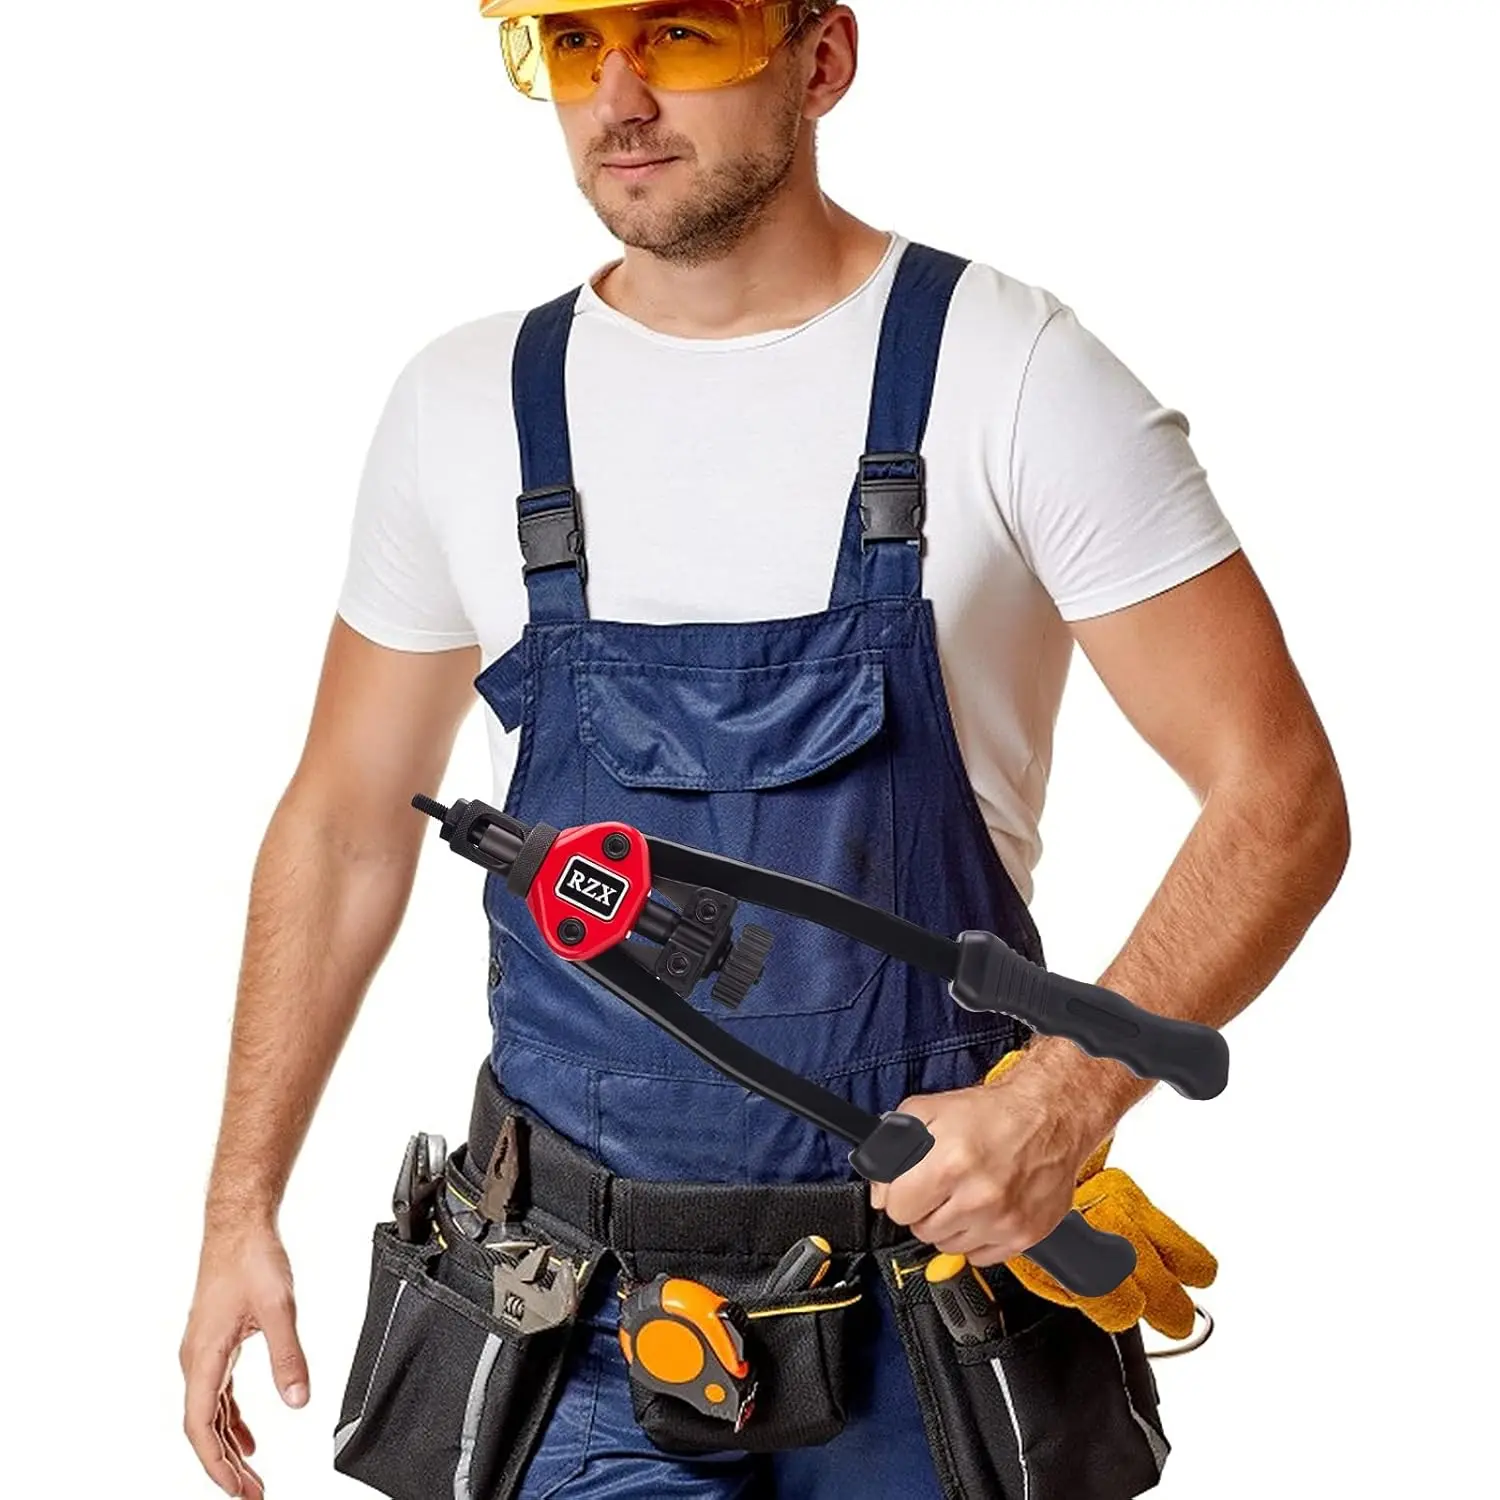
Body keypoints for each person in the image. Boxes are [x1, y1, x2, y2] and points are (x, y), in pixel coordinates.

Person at [178, 3, 1350, 1497]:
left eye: (683, 30)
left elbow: (1279, 794)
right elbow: (345, 824)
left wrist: (1065, 1098)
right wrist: (238, 1204)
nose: (620, 94)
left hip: (931, 1303)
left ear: (822, 56)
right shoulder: (463, 408)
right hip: (578, 1317)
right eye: (570, 40)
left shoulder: (1010, 371)